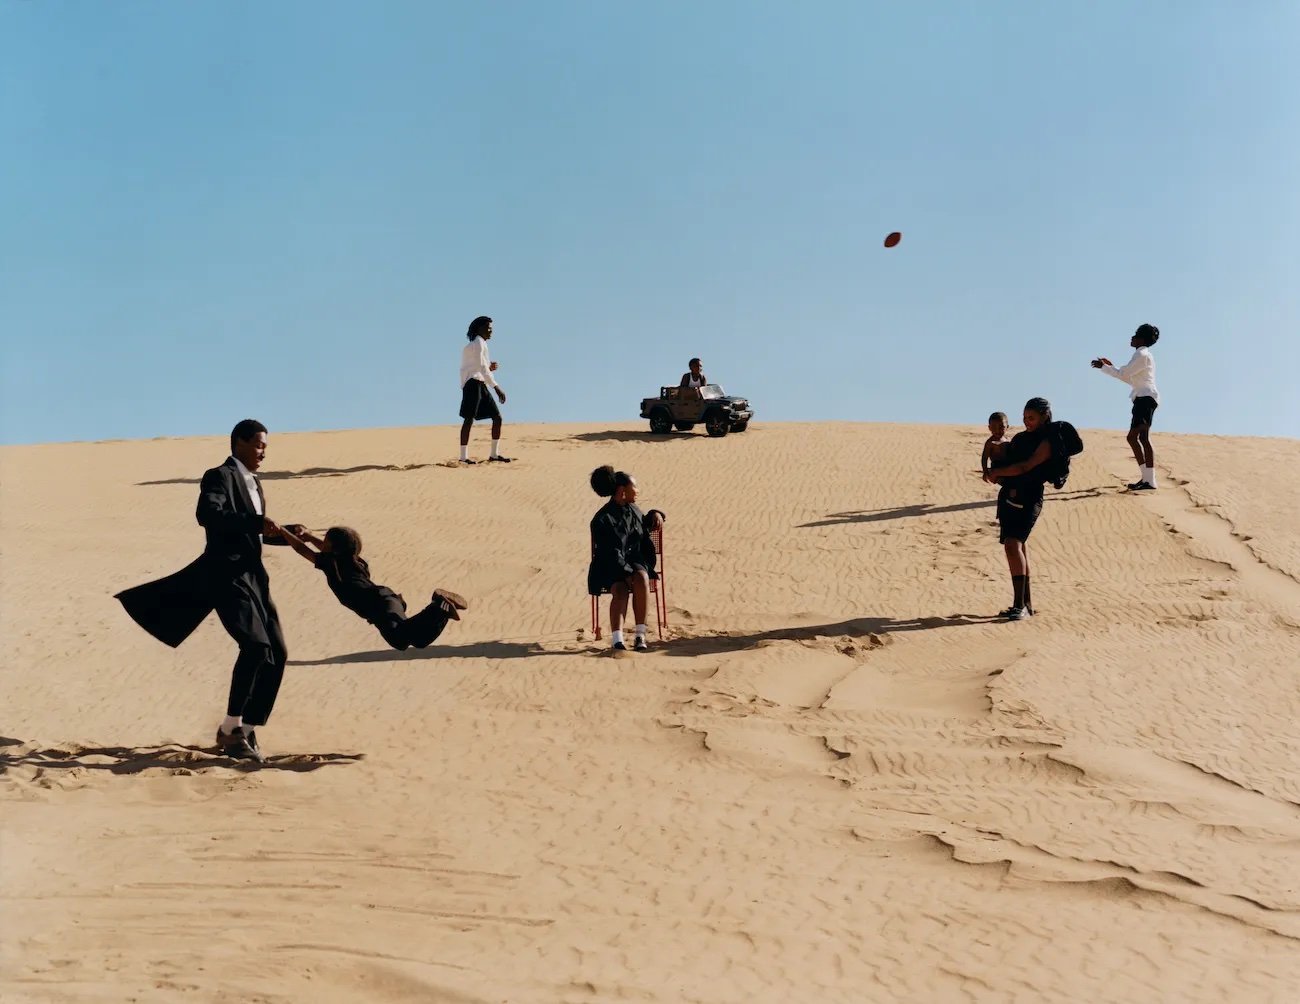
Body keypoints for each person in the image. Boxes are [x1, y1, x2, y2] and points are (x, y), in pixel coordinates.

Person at [115, 419, 293, 762]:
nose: (263, 453)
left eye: (265, 447)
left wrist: (282, 534)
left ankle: (249, 729)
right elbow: (209, 514)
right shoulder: (220, 476)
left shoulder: (254, 483)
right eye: (259, 445)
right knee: (255, 646)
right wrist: (255, 524)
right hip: (225, 576)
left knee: (277, 652)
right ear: (239, 443)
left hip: (254, 577)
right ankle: (230, 729)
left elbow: (248, 532)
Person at [277, 525, 468, 649]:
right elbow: (324, 549)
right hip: (386, 599)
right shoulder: (354, 561)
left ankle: (438, 606)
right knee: (413, 639)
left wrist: (282, 531)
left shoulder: (332, 565)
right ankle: (441, 609)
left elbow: (302, 550)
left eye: (325, 541)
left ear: (333, 549)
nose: (323, 543)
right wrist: (309, 536)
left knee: (401, 640)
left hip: (378, 606)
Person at [983, 398, 1057, 621]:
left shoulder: (1047, 441)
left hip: (1030, 498)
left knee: (1013, 545)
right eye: (1024, 418)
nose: (1027, 422)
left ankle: (1020, 606)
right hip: (1010, 496)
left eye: (1031, 417)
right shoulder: (1023, 438)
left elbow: (1026, 466)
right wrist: (995, 470)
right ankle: (1025, 604)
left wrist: (1000, 472)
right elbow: (1012, 462)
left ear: (1044, 416)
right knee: (1018, 548)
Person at [587, 466, 665, 652]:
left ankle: (640, 635)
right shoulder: (602, 519)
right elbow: (609, 553)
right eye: (635, 487)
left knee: (642, 577)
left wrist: (656, 513)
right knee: (620, 590)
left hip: (635, 561)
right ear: (622, 491)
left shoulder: (633, 509)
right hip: (609, 566)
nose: (637, 490)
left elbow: (645, 523)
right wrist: (626, 572)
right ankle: (617, 639)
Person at [1092, 323, 1160, 490]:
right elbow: (1129, 379)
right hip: (1142, 398)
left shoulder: (1142, 355)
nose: (1132, 337)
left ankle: (1149, 480)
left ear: (1141, 339)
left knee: (1134, 437)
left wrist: (1106, 367)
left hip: (1145, 399)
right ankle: (1147, 480)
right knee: (1141, 438)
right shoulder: (1141, 355)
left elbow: (1124, 374)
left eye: (1135, 335)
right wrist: (1109, 367)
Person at [458, 315, 510, 464]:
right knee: (469, 419)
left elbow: (481, 368)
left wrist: (489, 368)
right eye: (488, 328)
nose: (491, 331)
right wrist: (497, 387)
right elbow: (480, 368)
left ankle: (494, 454)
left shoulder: (478, 344)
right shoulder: (478, 343)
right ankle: (463, 458)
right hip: (473, 384)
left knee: (496, 417)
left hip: (479, 383)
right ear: (480, 329)